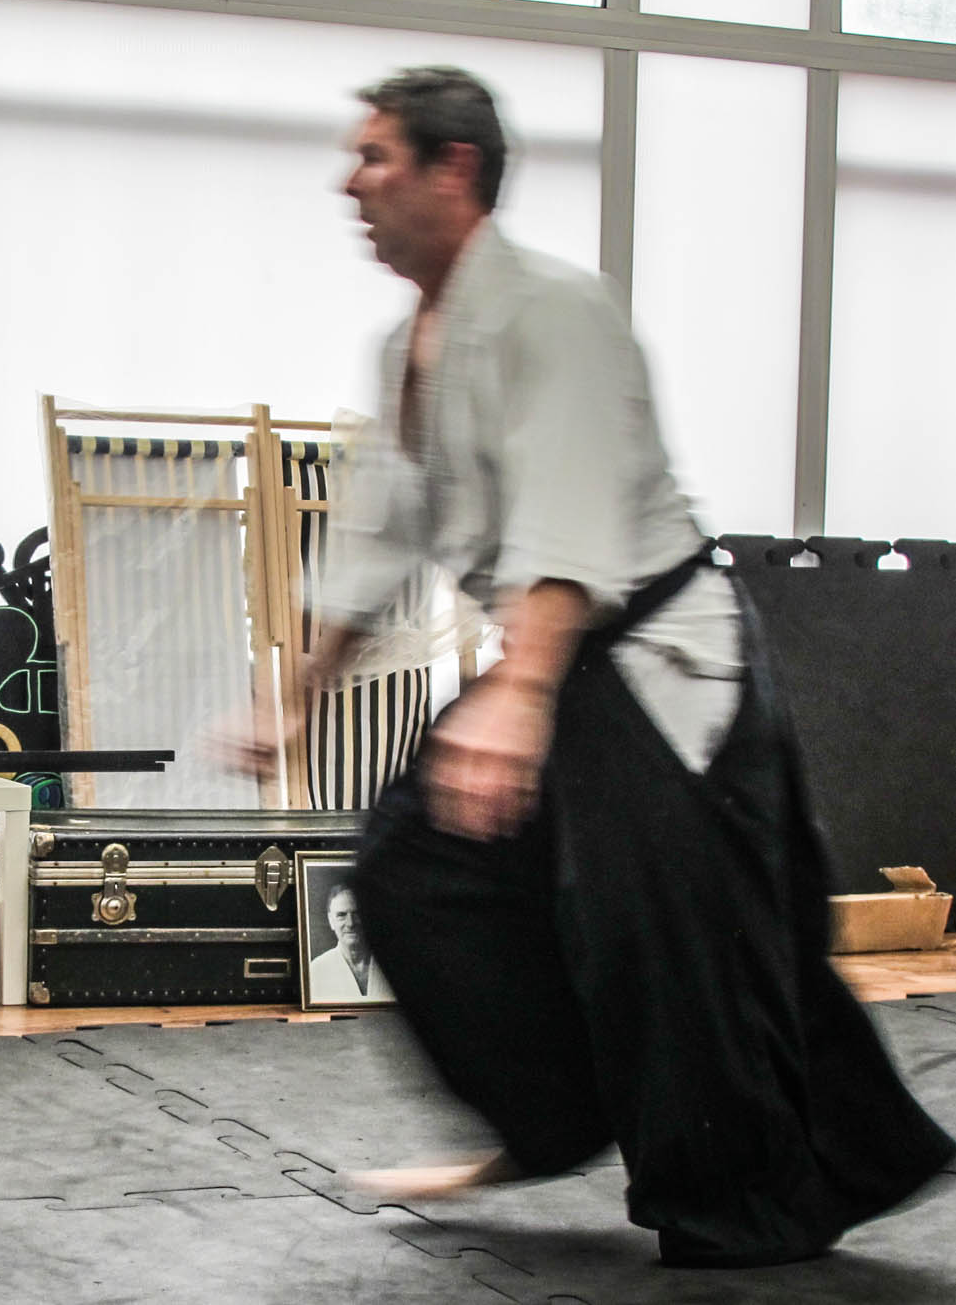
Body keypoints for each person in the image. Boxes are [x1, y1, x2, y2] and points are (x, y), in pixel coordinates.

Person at [272, 65, 952, 1268]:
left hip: (653, 661)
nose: (350, 182)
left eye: (375, 156)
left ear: (455, 170)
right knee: (411, 872)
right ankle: (551, 1116)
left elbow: (567, 521)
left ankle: (754, 1213)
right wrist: (305, 682)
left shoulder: (557, 311)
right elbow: (382, 523)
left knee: (674, 952)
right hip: (556, 660)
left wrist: (517, 697)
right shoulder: (404, 347)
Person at [305, 883, 384, 1002]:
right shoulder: (316, 971)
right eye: (341, 915)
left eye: (357, 914)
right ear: (331, 920)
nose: (351, 923)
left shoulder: (392, 964)